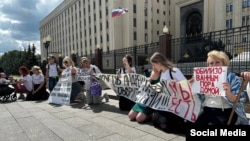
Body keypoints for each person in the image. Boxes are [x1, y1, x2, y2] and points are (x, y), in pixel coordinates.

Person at [189, 50, 249, 125]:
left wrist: (228, 92)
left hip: (225, 112)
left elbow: (236, 100)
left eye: (217, 62)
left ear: (224, 64)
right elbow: (196, 98)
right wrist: (192, 86)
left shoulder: (233, 78)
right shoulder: (203, 77)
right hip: (207, 110)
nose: (214, 65)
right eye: (211, 63)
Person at [148, 52, 189, 133]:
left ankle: (180, 122)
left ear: (158, 63)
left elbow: (186, 85)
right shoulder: (162, 73)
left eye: (154, 65)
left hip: (176, 104)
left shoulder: (174, 71)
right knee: (155, 121)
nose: (153, 67)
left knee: (165, 126)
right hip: (166, 103)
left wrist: (176, 84)